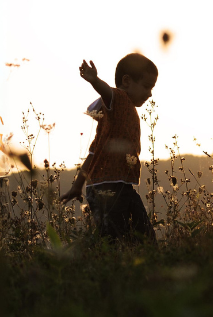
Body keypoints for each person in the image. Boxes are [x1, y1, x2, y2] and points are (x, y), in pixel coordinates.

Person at [60, 54, 158, 243]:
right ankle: (104, 266)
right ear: (127, 81)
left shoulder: (109, 121)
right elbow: (109, 92)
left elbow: (93, 154)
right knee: (116, 239)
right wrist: (95, 80)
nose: (150, 93)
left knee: (142, 235)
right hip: (109, 189)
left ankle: (135, 263)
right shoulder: (121, 99)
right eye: (147, 86)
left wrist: (77, 185)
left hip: (118, 186)